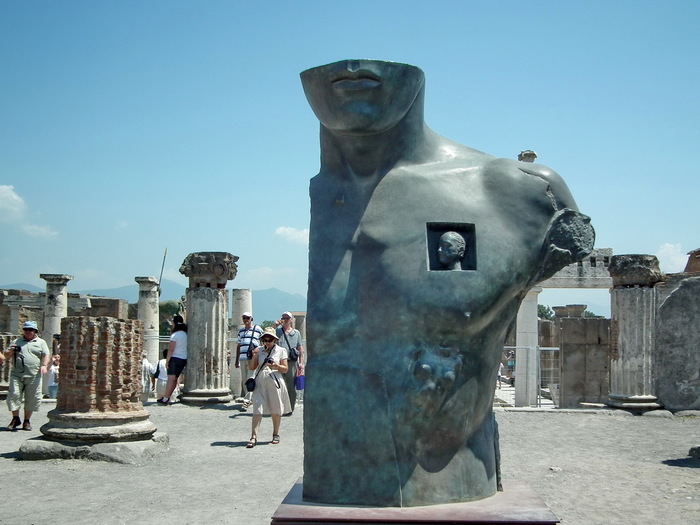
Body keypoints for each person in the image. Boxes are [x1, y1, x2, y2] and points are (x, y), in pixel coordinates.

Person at [300, 59, 594, 506]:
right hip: (331, 487)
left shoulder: (520, 192)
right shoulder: (325, 195)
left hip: (459, 484)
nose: (355, 71)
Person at [246, 327, 292, 448]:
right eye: (264, 340)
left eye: (269, 340)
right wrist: (254, 355)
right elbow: (251, 367)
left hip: (275, 380)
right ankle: (253, 436)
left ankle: (275, 434)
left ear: (274, 340)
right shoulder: (259, 350)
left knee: (276, 409)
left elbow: (285, 369)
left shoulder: (281, 351)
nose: (267, 342)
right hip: (260, 380)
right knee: (257, 408)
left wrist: (276, 365)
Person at [4, 321, 50, 431]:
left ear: (35, 331)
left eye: (31, 330)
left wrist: (44, 365)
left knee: (32, 398)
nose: (28, 331)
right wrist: (11, 351)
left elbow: (46, 354)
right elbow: (6, 356)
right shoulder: (17, 341)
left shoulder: (41, 342)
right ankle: (15, 418)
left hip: (34, 375)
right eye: (26, 329)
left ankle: (27, 421)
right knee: (13, 395)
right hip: (17, 374)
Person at [274, 311, 304, 413]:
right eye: (284, 318)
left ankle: (290, 408)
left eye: (287, 318)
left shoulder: (296, 333)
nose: (285, 320)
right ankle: (280, 407)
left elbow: (300, 348)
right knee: (279, 385)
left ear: (291, 320)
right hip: (279, 361)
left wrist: (301, 362)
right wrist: (274, 326)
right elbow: (268, 338)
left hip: (291, 362)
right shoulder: (277, 331)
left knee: (291, 385)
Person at [157, 315, 187, 405]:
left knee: (170, 379)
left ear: (174, 323)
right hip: (183, 358)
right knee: (174, 379)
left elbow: (171, 349)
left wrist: (167, 361)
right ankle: (167, 398)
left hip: (174, 358)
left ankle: (165, 398)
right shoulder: (185, 334)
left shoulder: (174, 335)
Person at [235, 311, 263, 411]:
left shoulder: (258, 329)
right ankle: (249, 398)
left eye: (247, 318)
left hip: (253, 357)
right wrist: (237, 359)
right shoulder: (241, 331)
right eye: (244, 318)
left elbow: (264, 341)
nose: (246, 320)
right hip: (242, 358)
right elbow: (239, 345)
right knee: (244, 379)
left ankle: (247, 400)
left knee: (250, 378)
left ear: (251, 319)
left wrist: (259, 353)